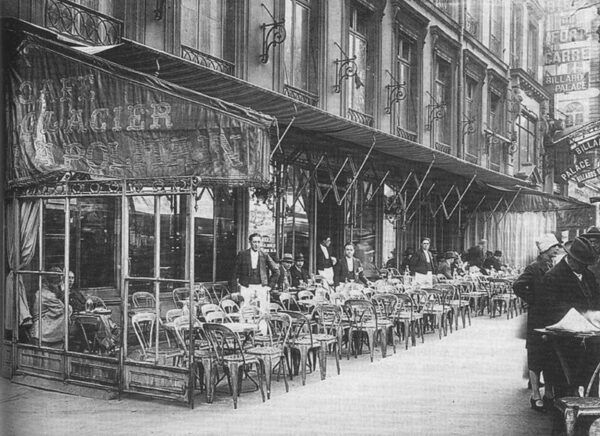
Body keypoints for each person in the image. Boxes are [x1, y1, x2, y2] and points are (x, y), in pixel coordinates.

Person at [539, 236, 600, 399]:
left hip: (589, 339)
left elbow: (596, 301)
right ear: (571, 259)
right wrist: (582, 316)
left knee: (590, 381)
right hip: (564, 342)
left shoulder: (587, 275)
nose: (585, 267)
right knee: (565, 388)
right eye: (582, 263)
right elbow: (549, 309)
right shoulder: (553, 277)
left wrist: (595, 315)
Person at [513, 233, 562, 412]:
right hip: (537, 318)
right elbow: (517, 286)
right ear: (545, 249)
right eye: (554, 246)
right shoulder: (534, 268)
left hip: (550, 317)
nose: (557, 249)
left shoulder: (552, 265)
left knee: (550, 356)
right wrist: (533, 300)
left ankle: (549, 393)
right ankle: (535, 395)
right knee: (535, 356)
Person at [230, 233, 279, 313]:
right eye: (254, 242)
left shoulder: (264, 255)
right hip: (246, 287)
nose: (257, 244)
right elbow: (234, 273)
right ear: (250, 242)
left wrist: (269, 287)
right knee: (246, 311)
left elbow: (276, 271)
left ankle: (262, 325)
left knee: (262, 312)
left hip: (261, 288)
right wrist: (234, 290)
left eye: (259, 242)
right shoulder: (242, 254)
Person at [30, 266, 71, 348]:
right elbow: (65, 310)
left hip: (39, 333)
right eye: (58, 284)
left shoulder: (40, 292)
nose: (58, 286)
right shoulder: (48, 295)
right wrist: (63, 290)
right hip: (44, 335)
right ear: (53, 283)